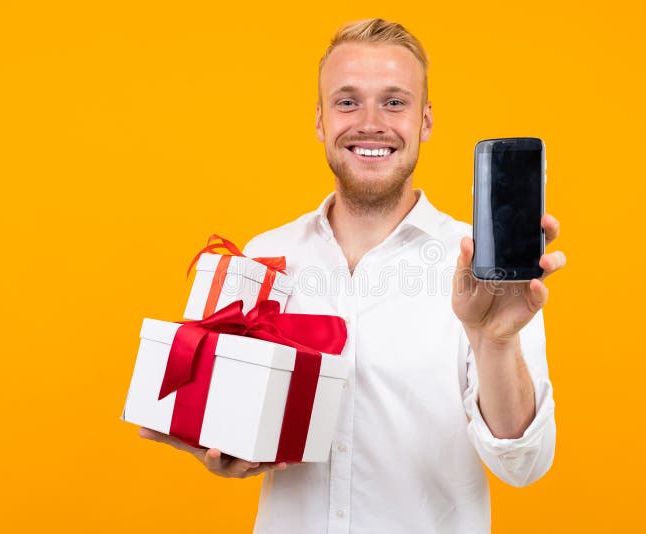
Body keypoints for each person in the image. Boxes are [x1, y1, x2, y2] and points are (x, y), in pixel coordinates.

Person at [139, 18, 566, 533]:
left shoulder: (482, 270)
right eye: (347, 102)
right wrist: (223, 443)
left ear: (425, 121)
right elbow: (227, 410)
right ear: (320, 121)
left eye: (394, 101)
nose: (370, 123)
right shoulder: (266, 255)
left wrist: (494, 341)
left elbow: (523, 465)